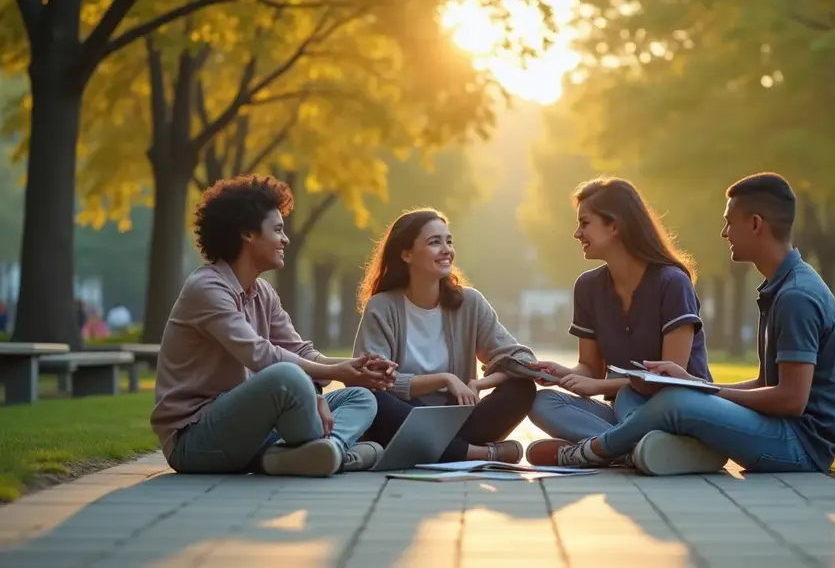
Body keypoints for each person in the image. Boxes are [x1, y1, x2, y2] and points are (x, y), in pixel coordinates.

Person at [528, 172, 835, 476]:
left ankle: (594, 451)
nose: (724, 233)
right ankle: (642, 450)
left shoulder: (795, 296)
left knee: (664, 398)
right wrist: (701, 391)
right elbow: (766, 384)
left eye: (729, 223)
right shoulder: (782, 288)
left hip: (801, 447)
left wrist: (700, 391)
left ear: (755, 224)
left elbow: (791, 400)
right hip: (770, 428)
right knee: (630, 396)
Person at [150, 174, 397, 478]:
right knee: (286, 376)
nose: (286, 239)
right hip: (195, 440)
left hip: (253, 430)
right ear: (247, 234)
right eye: (278, 229)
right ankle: (333, 451)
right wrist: (325, 381)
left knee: (360, 397)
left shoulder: (263, 292)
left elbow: (301, 351)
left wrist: (355, 367)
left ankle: (322, 452)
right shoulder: (207, 288)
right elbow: (260, 356)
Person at [524, 177, 721, 473]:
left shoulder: (672, 283)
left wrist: (599, 385)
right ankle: (636, 451)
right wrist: (562, 374)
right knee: (542, 402)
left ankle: (600, 450)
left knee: (630, 395)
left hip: (676, 408)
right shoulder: (588, 287)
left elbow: (670, 379)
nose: (577, 233)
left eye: (585, 223)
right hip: (625, 414)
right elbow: (589, 368)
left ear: (614, 225)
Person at [353, 208, 538, 463]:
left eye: (448, 241)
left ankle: (429, 449)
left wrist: (478, 384)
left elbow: (522, 360)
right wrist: (445, 379)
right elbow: (371, 378)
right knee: (371, 399)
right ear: (406, 254)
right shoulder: (382, 307)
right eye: (434, 242)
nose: (446, 249)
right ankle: (479, 453)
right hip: (402, 415)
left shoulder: (469, 302)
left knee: (521, 387)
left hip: (458, 420)